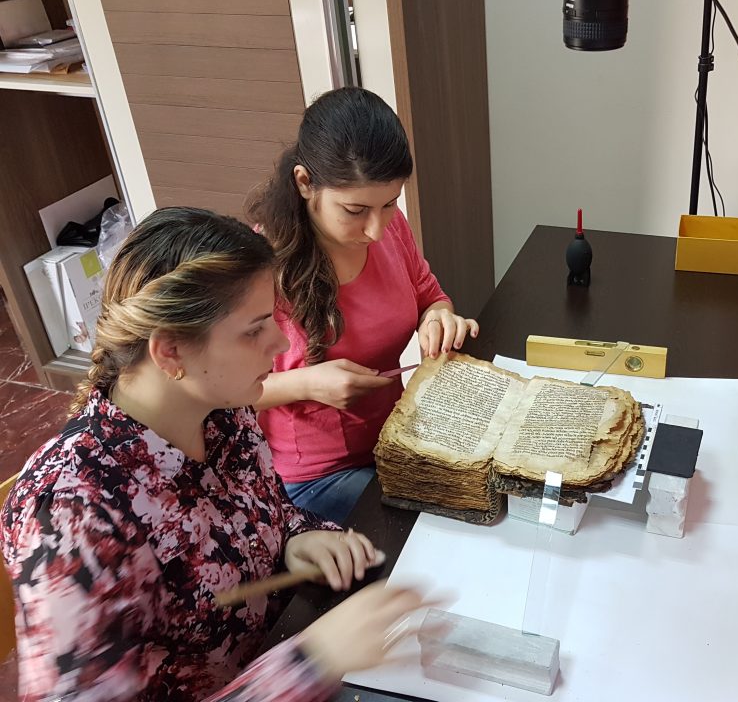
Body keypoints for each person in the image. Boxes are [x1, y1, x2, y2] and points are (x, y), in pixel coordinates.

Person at [0, 208, 430, 702]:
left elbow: (261, 515)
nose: (279, 343)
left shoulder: (223, 410)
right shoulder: (71, 519)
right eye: (254, 330)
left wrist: (295, 537)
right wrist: (312, 663)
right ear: (171, 353)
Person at [247, 87, 479, 524]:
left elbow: (429, 293)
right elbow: (222, 391)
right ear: (304, 183)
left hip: (396, 439)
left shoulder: (390, 227)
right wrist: (307, 384)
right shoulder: (260, 267)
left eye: (389, 204)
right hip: (318, 474)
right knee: (433, 530)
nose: (376, 229)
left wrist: (439, 318)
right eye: (355, 210)